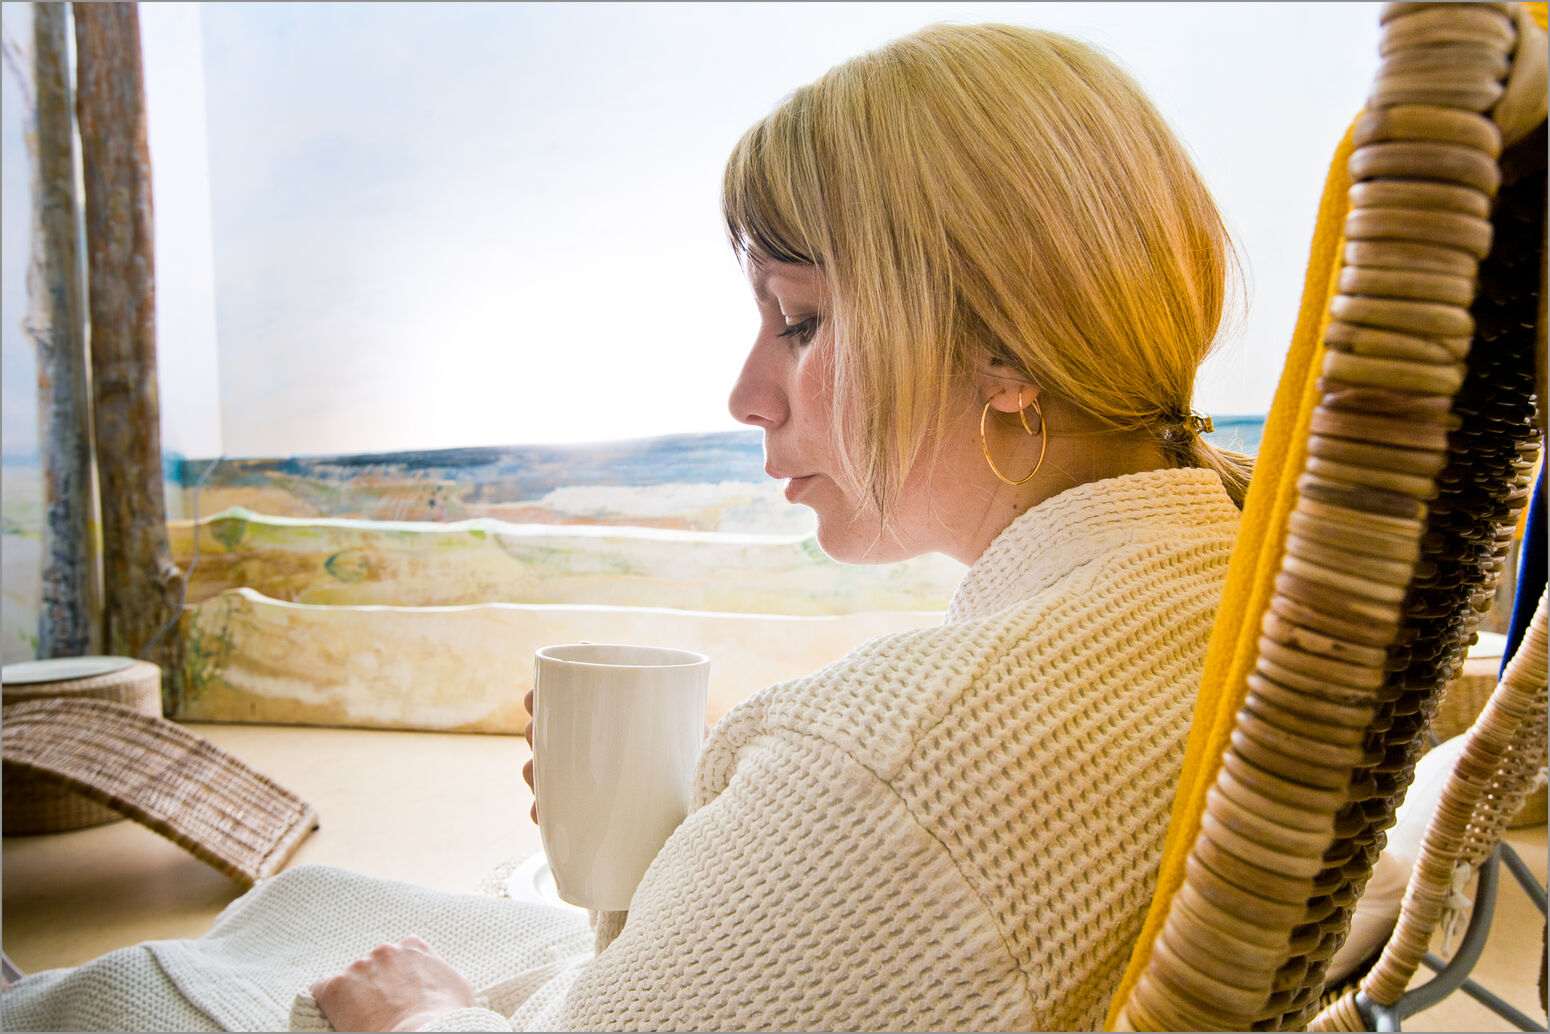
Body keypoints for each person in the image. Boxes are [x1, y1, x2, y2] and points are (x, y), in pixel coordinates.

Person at [2, 21, 1249, 1033]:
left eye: (800, 321)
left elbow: (885, 817)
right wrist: (722, 834)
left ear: (1005, 350)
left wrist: (417, 1016)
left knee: (145, 985)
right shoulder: (1240, 584)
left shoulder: (885, 758)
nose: (745, 394)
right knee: (317, 896)